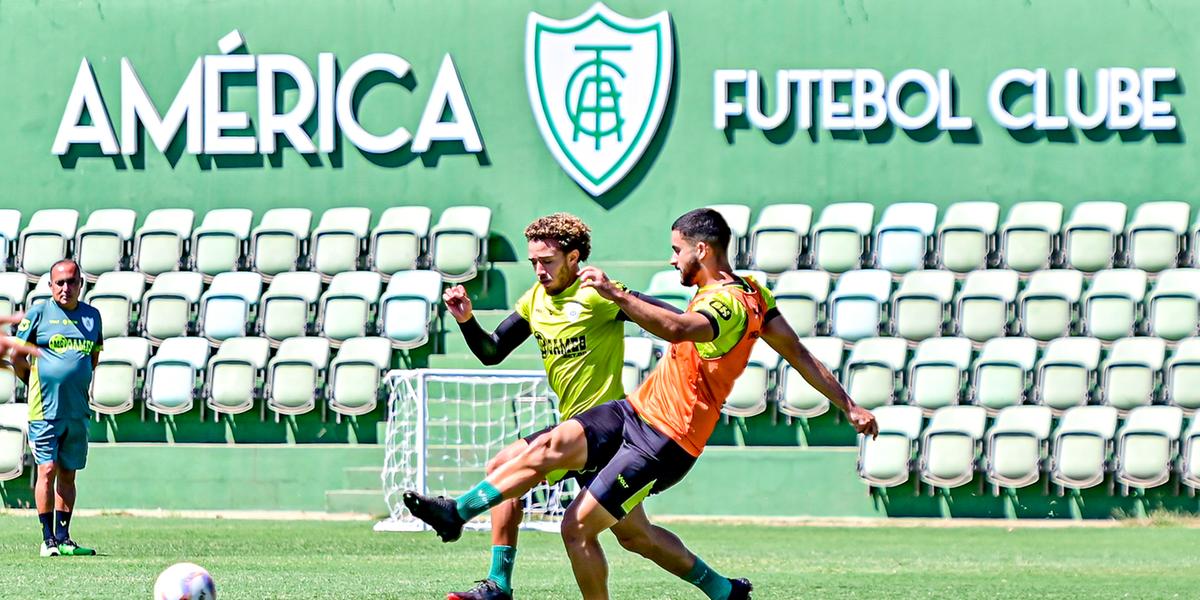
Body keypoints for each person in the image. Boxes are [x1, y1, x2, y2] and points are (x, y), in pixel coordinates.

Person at [407, 209, 878, 599]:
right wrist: (850, 405)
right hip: (634, 411)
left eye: (677, 250)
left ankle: (718, 590)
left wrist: (615, 293)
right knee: (554, 463)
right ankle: (467, 528)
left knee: (584, 530)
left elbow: (679, 328)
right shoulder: (753, 292)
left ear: (702, 250)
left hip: (667, 438)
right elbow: (799, 354)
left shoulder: (730, 303)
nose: (672, 261)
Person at [439, 212, 746, 600]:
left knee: (515, 473)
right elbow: (492, 351)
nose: (539, 270)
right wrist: (467, 321)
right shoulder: (534, 300)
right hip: (573, 431)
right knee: (636, 536)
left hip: (611, 434)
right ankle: (724, 590)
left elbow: (673, 320)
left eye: (547, 261)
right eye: (533, 262)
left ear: (573, 258)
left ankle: (497, 580)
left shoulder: (597, 295)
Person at [11, 259, 103, 557]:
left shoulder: (93, 317)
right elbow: (17, 357)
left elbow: (93, 358)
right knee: (47, 470)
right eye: (59, 282)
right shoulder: (39, 313)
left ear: (81, 284)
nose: (66, 287)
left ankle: (64, 538)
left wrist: (78, 379)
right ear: (50, 285)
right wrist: (34, 382)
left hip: (77, 410)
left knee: (68, 474)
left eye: (71, 281)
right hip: (44, 410)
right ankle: (47, 539)